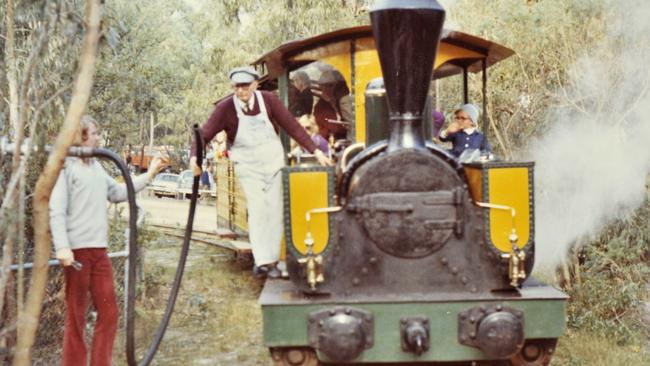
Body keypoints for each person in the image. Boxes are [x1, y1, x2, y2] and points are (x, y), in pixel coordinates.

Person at [189, 66, 332, 279]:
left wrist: (315, 151)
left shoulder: (268, 101)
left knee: (274, 209)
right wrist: (194, 157)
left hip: (272, 162)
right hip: (248, 165)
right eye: (237, 87)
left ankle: (272, 260)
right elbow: (205, 134)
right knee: (257, 207)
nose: (241, 91)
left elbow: (292, 126)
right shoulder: (226, 108)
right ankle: (263, 261)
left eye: (245, 86)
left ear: (255, 85)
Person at [49, 116, 166, 366]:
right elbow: (56, 209)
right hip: (77, 253)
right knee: (76, 316)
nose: (98, 138)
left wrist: (151, 173)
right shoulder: (66, 168)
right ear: (80, 137)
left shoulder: (96, 167)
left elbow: (118, 192)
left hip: (99, 252)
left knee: (109, 313)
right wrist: (62, 246)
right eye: (94, 134)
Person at [313, 69, 353, 141]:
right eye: (324, 86)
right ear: (321, 87)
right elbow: (336, 128)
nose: (327, 89)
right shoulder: (321, 107)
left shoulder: (338, 101)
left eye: (330, 85)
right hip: (329, 141)